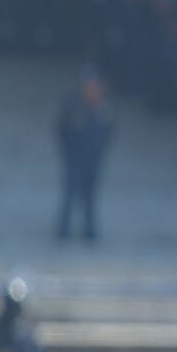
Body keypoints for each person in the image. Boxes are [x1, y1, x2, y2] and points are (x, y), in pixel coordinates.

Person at [55, 69, 113, 242]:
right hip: (75, 159)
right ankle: (63, 231)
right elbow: (61, 130)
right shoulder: (72, 106)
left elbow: (110, 131)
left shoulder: (104, 108)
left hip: (93, 160)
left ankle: (90, 232)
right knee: (70, 195)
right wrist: (68, 151)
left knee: (90, 197)